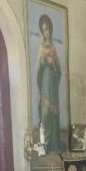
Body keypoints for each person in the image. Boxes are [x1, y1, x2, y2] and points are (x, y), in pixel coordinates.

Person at [36, 14, 61, 153]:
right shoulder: (41, 47)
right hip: (45, 84)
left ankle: (54, 147)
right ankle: (44, 146)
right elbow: (38, 69)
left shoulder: (54, 48)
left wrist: (53, 64)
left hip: (53, 86)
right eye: (44, 29)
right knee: (45, 114)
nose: (47, 32)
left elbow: (59, 71)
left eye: (48, 28)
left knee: (54, 115)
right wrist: (45, 61)